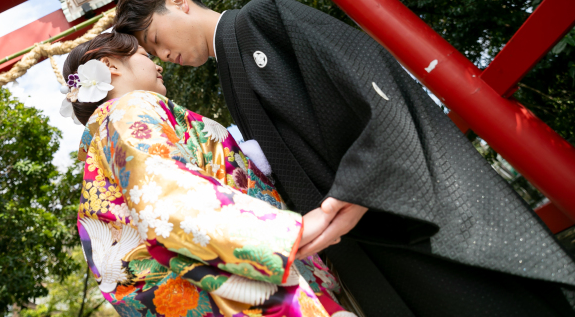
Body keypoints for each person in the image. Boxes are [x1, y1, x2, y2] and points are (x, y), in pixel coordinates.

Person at [112, 0, 575, 317]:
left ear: (179, 1)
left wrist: (356, 188)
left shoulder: (262, 18)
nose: (163, 56)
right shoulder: (233, 70)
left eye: (155, 39)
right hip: (361, 235)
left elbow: (369, 84)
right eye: (153, 55)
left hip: (399, 211)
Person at [62, 31, 358, 317]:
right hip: (251, 282)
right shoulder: (130, 108)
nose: (158, 63)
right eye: (143, 53)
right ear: (109, 65)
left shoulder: (102, 146)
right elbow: (167, 199)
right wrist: (289, 234)